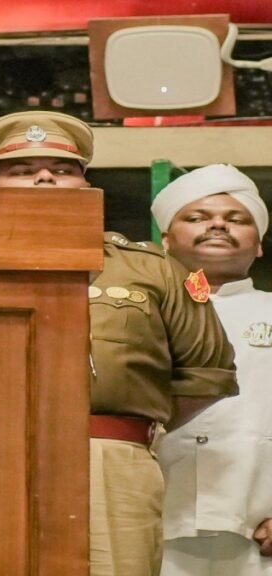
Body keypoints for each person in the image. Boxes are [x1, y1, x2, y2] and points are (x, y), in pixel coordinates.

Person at [0, 111, 238, 576]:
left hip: (109, 455)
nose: (44, 179)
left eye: (62, 170)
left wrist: (121, 428)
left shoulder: (151, 268)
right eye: (21, 170)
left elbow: (206, 373)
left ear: (87, 184)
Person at [151, 164, 272, 575]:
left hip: (257, 527)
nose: (218, 225)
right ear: (166, 240)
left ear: (259, 244)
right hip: (153, 520)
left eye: (236, 219)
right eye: (197, 217)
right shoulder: (135, 314)